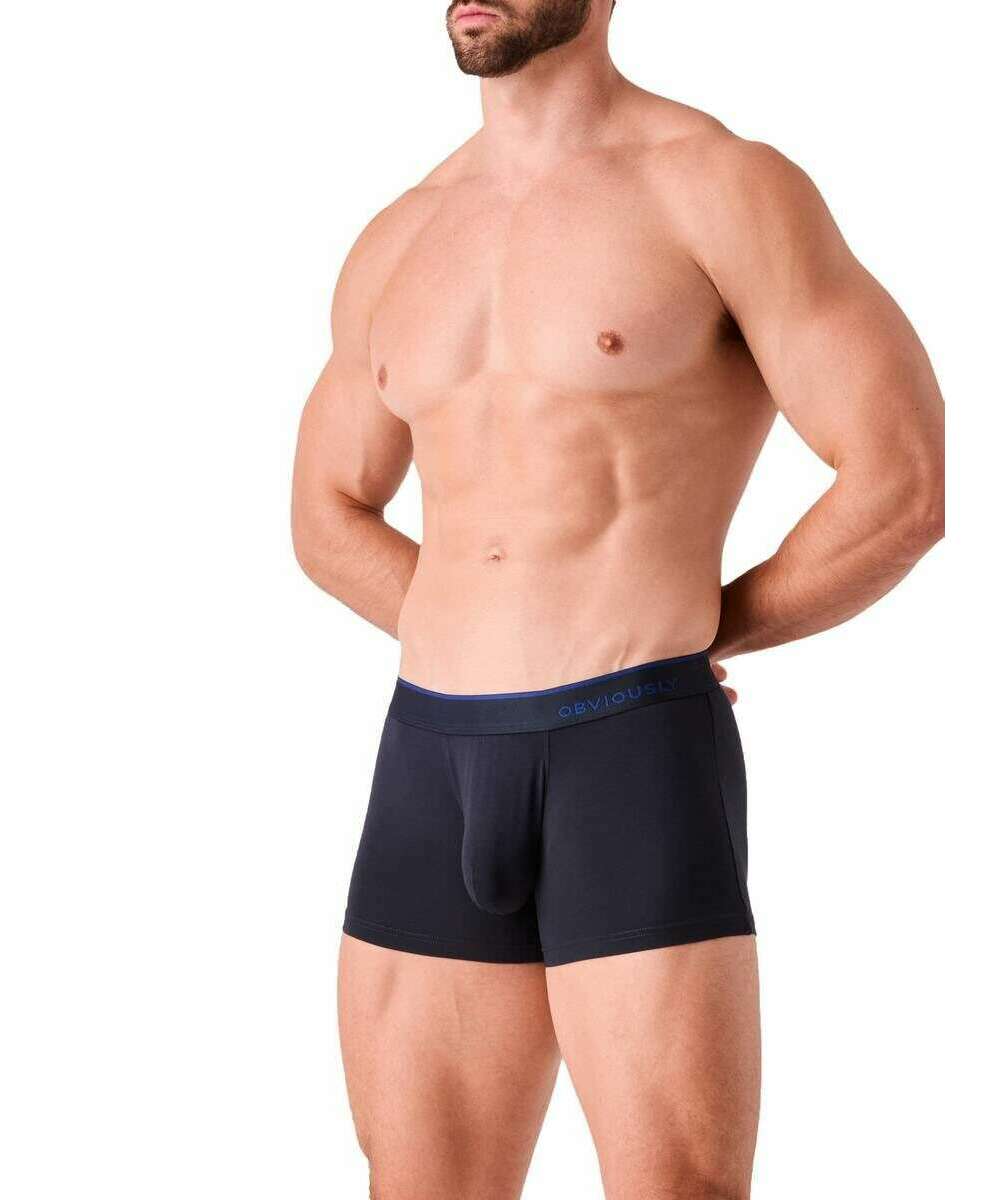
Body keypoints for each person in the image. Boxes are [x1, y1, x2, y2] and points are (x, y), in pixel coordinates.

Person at [291, 2, 945, 1195]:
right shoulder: (402, 234)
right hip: (431, 758)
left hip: (628, 750)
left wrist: (696, 625)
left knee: (676, 1185)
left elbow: (899, 483)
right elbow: (327, 512)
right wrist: (471, 624)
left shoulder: (719, 187)